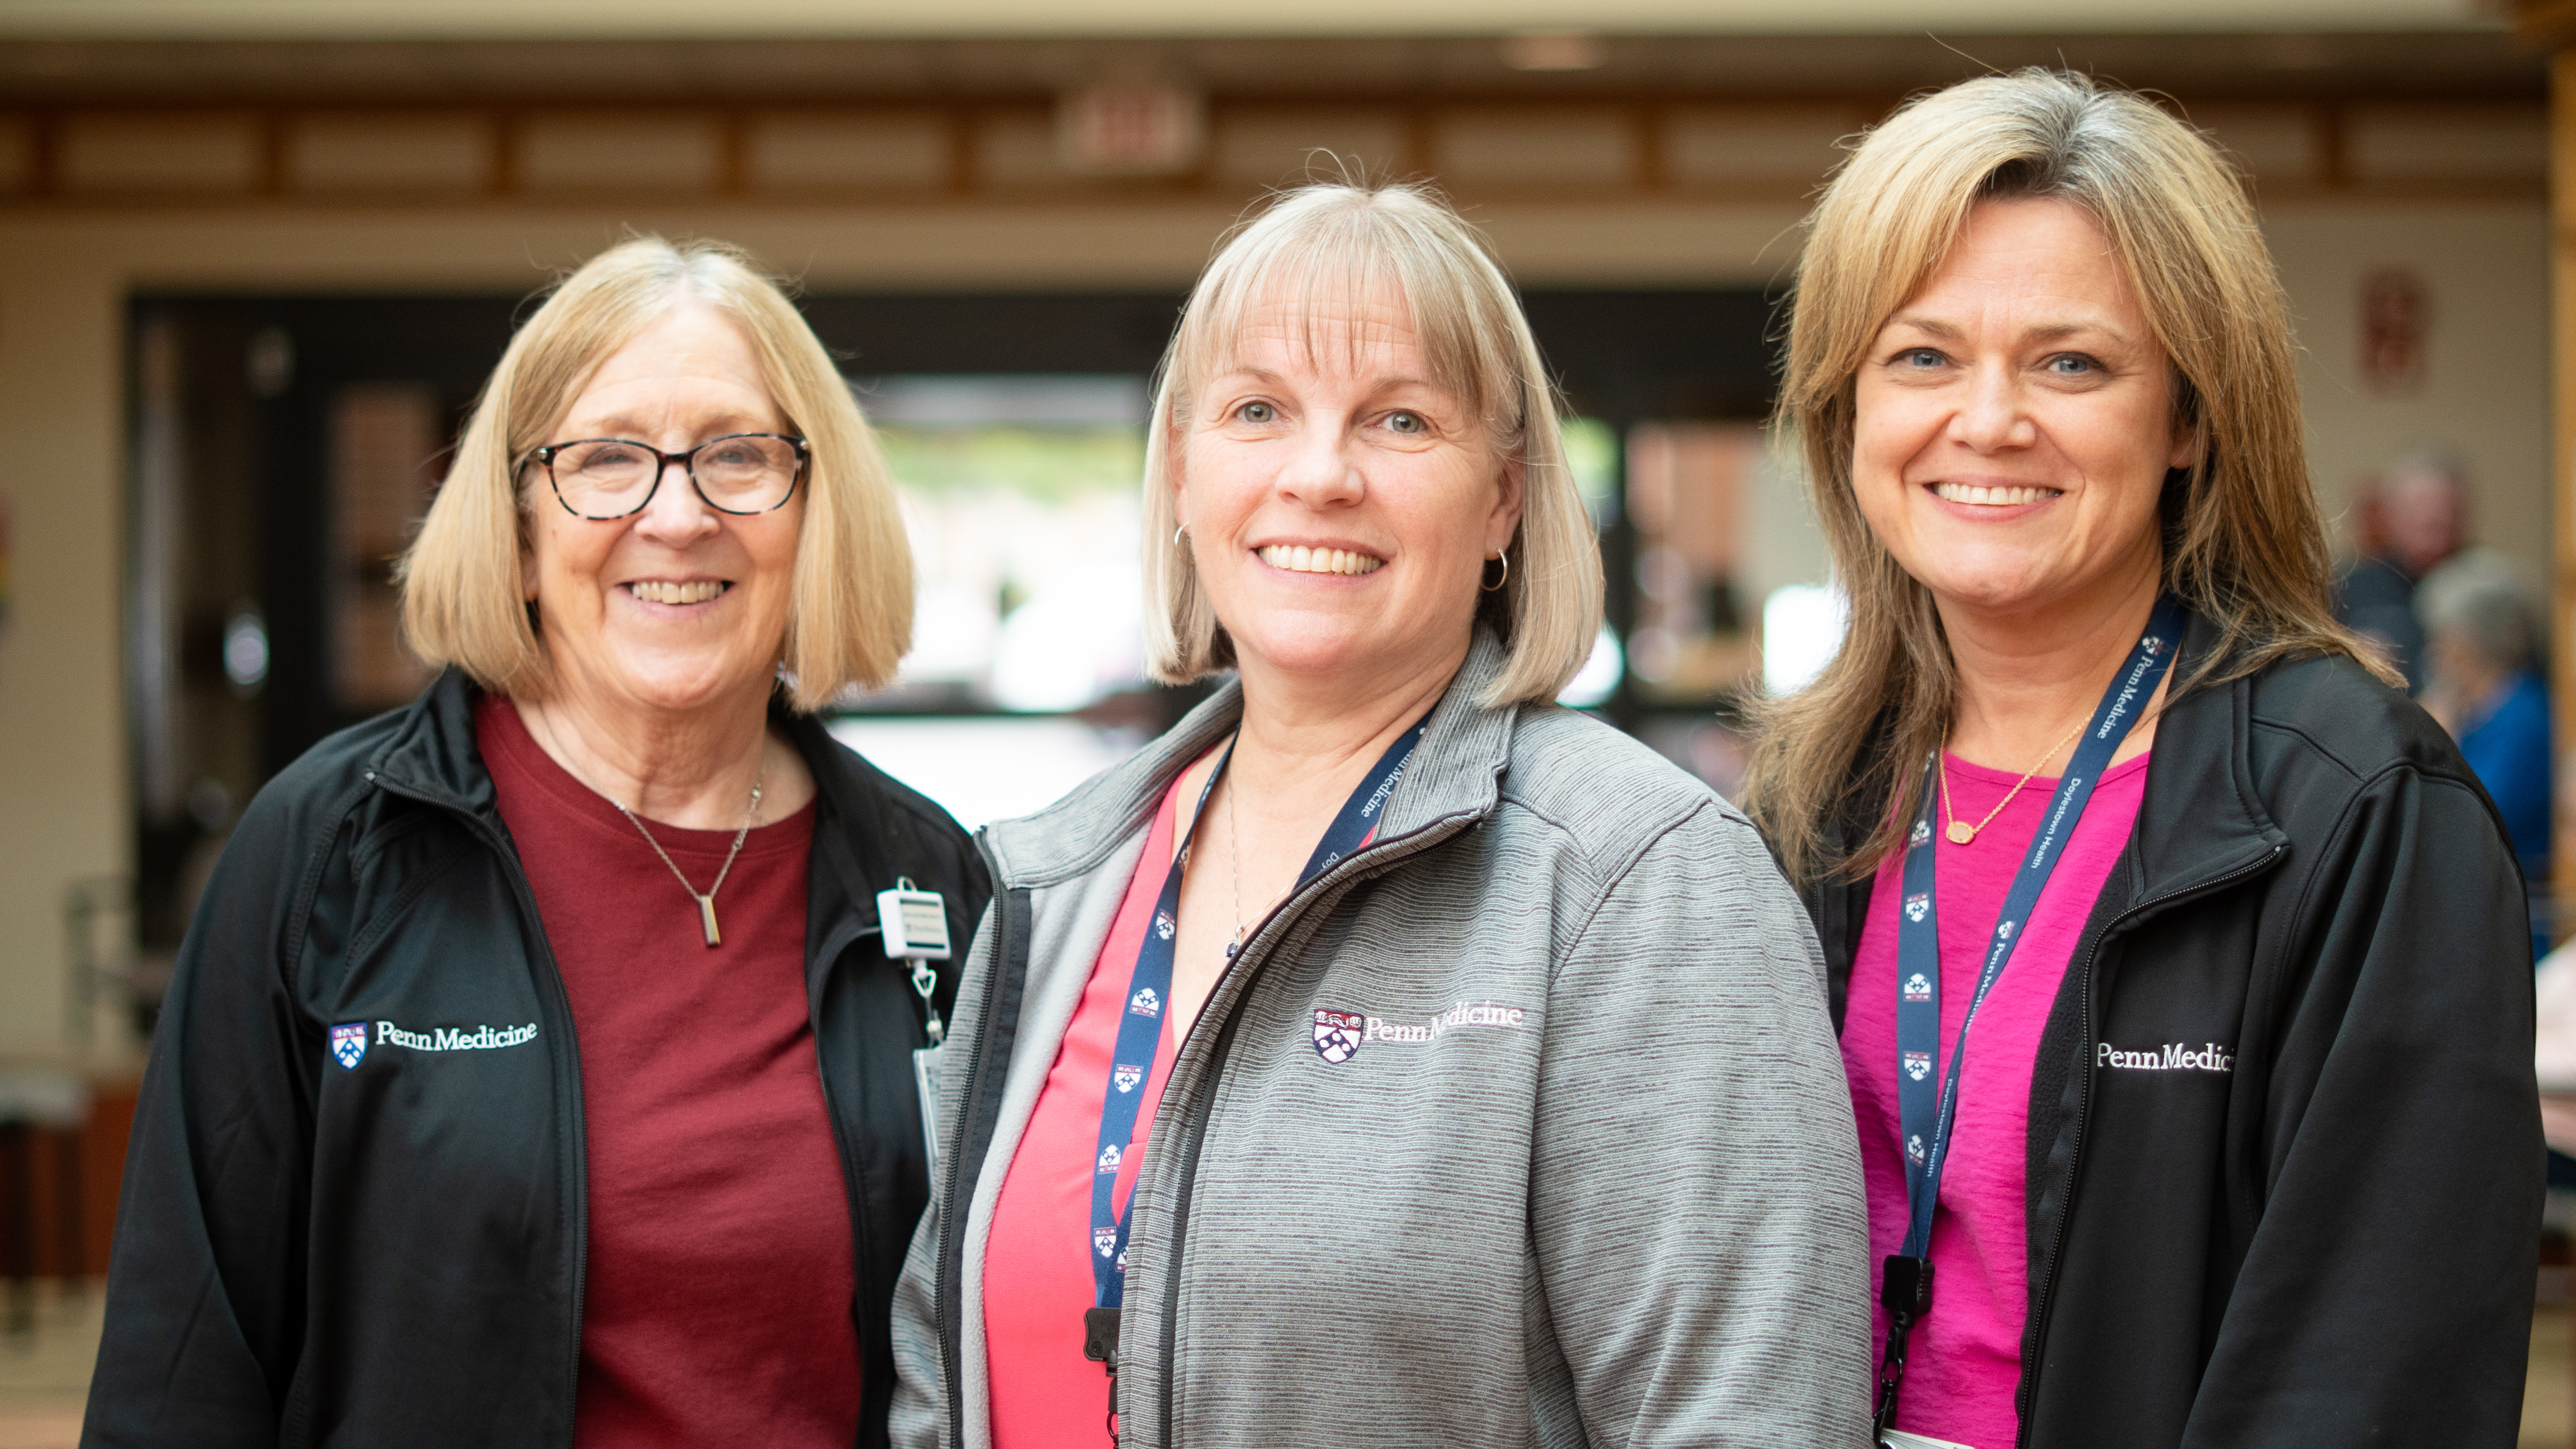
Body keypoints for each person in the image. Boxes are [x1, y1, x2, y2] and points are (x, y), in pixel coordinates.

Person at [889, 181, 1869, 1449]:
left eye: (1398, 419)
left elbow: (1747, 1417)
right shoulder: (1056, 879)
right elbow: (937, 1361)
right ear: (1182, 471)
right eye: (1257, 411)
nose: (1319, 474)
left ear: (1505, 498)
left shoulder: (1638, 880)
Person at [1738, 70, 2540, 1449]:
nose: (1986, 421)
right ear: (1846, 412)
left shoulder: (2356, 808)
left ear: (2186, 418)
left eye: (2071, 363)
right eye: (1921, 357)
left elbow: (2369, 1372)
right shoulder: (1813, 799)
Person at [84, 238, 988, 1449]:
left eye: (736, 455)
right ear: (516, 531)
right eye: (606, 459)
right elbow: (180, 1366)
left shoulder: (928, 879)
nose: (677, 515)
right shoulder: (329, 855)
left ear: (814, 514)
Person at [2333, 447, 2469, 693]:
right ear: (2388, 515)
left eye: (2443, 515)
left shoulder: (2484, 590)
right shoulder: (2346, 587)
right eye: (2419, 512)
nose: (2432, 524)